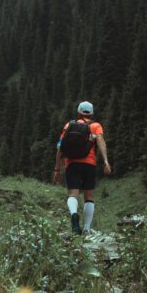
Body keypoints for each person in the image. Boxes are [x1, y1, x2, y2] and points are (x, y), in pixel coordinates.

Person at [52, 101, 112, 235]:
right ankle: (86, 228)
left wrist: (57, 169)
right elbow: (101, 142)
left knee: (73, 194)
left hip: (71, 163)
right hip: (89, 164)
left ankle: (74, 215)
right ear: (91, 113)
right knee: (89, 195)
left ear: (78, 112)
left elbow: (60, 148)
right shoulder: (96, 126)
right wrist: (106, 161)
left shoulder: (69, 125)